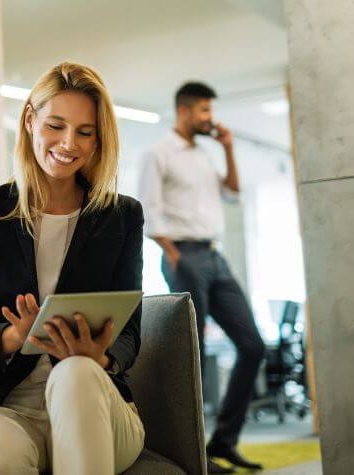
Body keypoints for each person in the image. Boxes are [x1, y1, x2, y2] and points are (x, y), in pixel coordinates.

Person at [0, 61, 145, 475]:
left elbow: (129, 334)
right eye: (56, 125)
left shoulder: (121, 216)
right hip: (1, 408)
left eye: (85, 132)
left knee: (75, 371)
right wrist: (13, 336)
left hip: (96, 404)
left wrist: (100, 359)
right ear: (29, 120)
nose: (68, 143)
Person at [138, 82, 265, 474]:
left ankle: (224, 440)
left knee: (252, 345)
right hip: (185, 255)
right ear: (185, 110)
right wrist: (175, 257)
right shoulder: (158, 154)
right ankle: (195, 453)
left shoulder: (204, 155)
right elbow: (148, 211)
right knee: (191, 356)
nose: (210, 118)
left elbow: (232, 194)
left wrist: (227, 147)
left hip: (214, 256)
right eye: (205, 111)